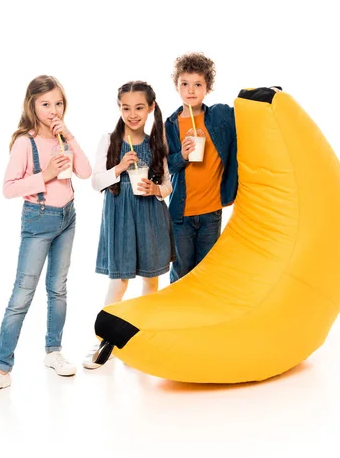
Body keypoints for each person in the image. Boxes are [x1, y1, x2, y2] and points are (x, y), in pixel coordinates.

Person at [0, 75, 92, 400]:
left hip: (67, 216)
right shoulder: (25, 142)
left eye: (58, 103)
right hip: (38, 220)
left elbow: (85, 172)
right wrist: (46, 175)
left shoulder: (63, 138)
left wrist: (70, 136)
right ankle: (0, 370)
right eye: (46, 104)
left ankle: (53, 351)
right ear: (32, 106)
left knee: (58, 288)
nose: (54, 110)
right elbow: (8, 188)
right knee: (21, 296)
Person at [82, 80, 175, 369]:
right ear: (119, 108)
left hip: (150, 215)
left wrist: (155, 189)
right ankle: (106, 343)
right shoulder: (109, 140)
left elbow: (168, 184)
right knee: (119, 281)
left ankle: (145, 337)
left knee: (151, 280)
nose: (132, 114)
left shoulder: (156, 143)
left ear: (150, 108)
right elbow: (96, 181)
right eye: (126, 108)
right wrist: (119, 168)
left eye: (139, 108)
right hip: (120, 217)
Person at [165, 52, 238, 283]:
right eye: (184, 84)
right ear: (176, 86)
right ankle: (178, 317)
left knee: (207, 273)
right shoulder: (171, 124)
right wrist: (183, 155)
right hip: (180, 214)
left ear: (207, 87)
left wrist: (268, 94)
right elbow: (168, 166)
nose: (191, 90)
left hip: (211, 211)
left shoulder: (218, 117)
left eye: (198, 84)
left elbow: (245, 111)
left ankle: (201, 319)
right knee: (181, 273)